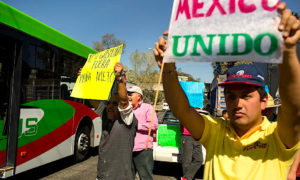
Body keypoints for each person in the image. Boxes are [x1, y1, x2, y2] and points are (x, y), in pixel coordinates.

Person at [153, 2, 300, 179]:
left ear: (263, 102)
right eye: (231, 96)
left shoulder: (277, 136)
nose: (237, 103)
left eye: (246, 96)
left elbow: (293, 107)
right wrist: (168, 68)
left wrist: (288, 51)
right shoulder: (216, 131)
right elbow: (182, 111)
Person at [89, 62, 138, 180]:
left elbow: (124, 101)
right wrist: (86, 81)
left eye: (115, 104)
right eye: (109, 103)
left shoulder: (127, 119)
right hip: (102, 175)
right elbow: (92, 100)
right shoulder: (106, 116)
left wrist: (119, 78)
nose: (110, 106)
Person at [127, 85, 158, 180]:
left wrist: (137, 125)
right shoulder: (126, 109)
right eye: (127, 94)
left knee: (145, 177)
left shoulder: (147, 107)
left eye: (131, 94)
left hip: (143, 150)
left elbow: (154, 125)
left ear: (139, 97)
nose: (128, 96)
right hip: (128, 149)